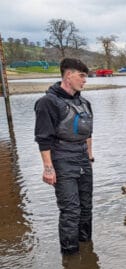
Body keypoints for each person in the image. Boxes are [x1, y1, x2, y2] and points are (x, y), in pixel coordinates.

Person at [34, 57, 94, 254]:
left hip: (82, 158)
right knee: (71, 210)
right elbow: (44, 139)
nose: (85, 80)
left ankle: (86, 252)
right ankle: (70, 254)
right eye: (82, 76)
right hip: (62, 159)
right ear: (68, 75)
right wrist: (48, 168)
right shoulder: (47, 103)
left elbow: (88, 132)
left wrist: (90, 156)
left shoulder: (84, 102)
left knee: (86, 207)